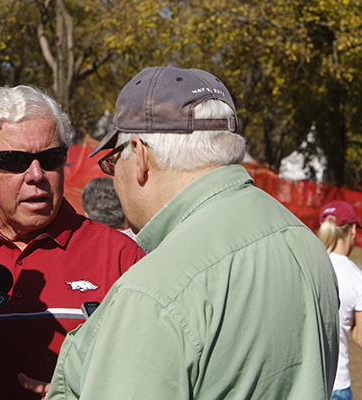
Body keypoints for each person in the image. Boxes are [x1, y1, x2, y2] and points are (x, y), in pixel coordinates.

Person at [46, 66, 340, 399]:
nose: (115, 177)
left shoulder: (155, 291)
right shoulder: (303, 240)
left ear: (140, 156)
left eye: (114, 160)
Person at [0, 85, 145, 400]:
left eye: (51, 158)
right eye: (14, 160)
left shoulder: (122, 258)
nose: (36, 174)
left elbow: (155, 374)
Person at [318, 201, 362, 400]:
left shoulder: (308, 263)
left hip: (302, 382)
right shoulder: (356, 276)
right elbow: (360, 337)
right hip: (337, 384)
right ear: (353, 230)